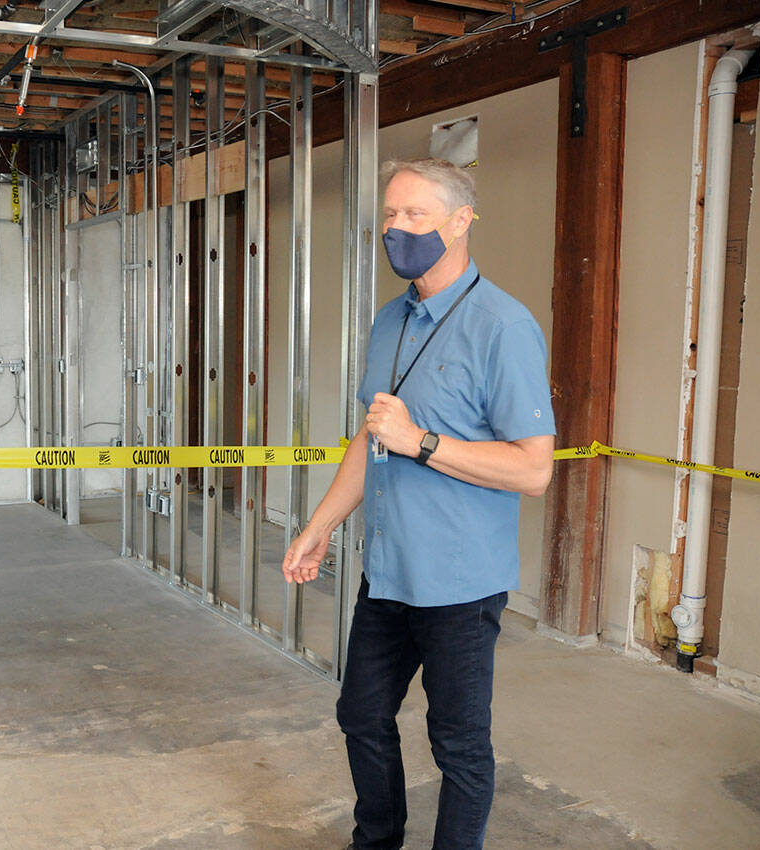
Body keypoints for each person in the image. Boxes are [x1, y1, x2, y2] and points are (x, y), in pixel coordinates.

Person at [281, 157, 556, 850]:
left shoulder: (503, 326)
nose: (397, 229)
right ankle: (376, 841)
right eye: (391, 215)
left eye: (415, 216)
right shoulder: (390, 320)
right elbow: (370, 437)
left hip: (461, 583)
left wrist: (422, 441)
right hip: (390, 571)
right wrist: (318, 528)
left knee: (458, 747)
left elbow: (533, 469)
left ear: (461, 222)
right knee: (360, 714)